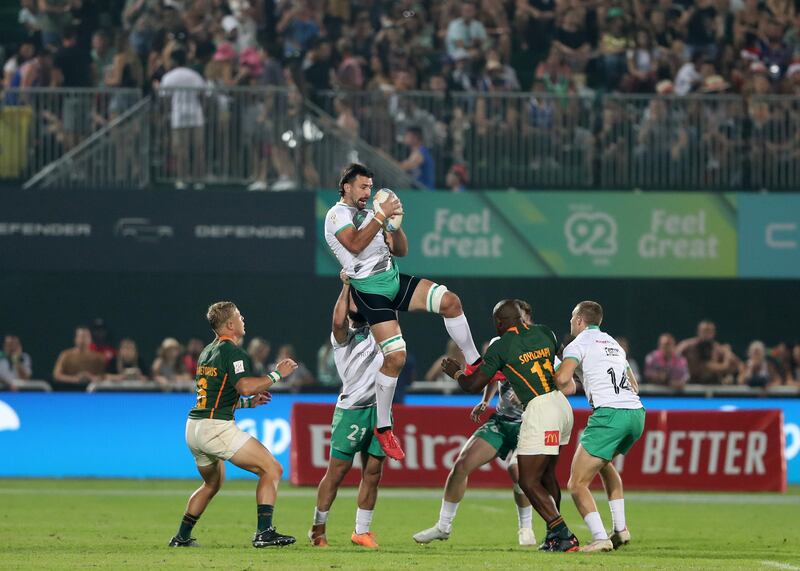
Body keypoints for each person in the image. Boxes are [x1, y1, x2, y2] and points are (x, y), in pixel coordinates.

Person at [324, 163, 483, 461]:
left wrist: (394, 227)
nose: (367, 192)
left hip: (393, 279)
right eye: (362, 187)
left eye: (370, 187)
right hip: (369, 290)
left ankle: (474, 363)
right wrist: (381, 215)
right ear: (346, 187)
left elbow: (401, 250)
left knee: (451, 301)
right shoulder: (337, 215)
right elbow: (356, 246)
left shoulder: (373, 213)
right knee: (396, 358)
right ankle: (384, 428)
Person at [440, 300, 578, 552]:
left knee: (527, 481)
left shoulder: (501, 346)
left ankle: (563, 534)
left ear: (499, 323)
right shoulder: (546, 333)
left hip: (538, 411)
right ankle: (553, 536)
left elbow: (472, 384)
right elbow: (561, 373)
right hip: (562, 408)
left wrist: (456, 373)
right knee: (546, 476)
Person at [169, 301, 298, 549]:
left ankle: (181, 537)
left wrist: (248, 405)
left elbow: (217, 397)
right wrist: (277, 374)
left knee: (211, 484)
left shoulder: (207, 351)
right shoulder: (234, 353)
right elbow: (245, 387)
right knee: (272, 469)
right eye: (239, 315)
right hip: (215, 428)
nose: (243, 318)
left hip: (194, 427)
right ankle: (264, 533)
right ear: (230, 324)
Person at [414, 300, 540, 547]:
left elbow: (557, 380)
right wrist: (485, 400)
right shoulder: (498, 344)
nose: (517, 323)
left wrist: (528, 392)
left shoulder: (541, 343)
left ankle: (526, 528)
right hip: (502, 421)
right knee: (462, 464)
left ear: (529, 320)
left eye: (521, 318)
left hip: (531, 423)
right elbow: (493, 376)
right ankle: (443, 526)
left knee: (517, 471)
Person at [553, 301, 645, 553]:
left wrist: (550, 371)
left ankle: (599, 537)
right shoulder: (613, 343)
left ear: (580, 320)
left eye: (573, 317)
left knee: (576, 483)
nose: (571, 322)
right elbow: (634, 384)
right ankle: (620, 529)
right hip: (636, 414)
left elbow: (562, 380)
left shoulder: (578, 344)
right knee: (604, 466)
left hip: (609, 415)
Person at [309, 276, 387, 548]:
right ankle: (318, 530)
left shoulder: (383, 333)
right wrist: (345, 286)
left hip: (381, 410)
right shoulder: (344, 339)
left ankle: (361, 532)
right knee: (338, 472)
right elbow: (338, 321)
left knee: (373, 472)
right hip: (352, 411)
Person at [159, 48, 206, 190]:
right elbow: (203, 95)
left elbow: (164, 98)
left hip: (178, 116)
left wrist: (166, 113)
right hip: (196, 115)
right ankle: (199, 179)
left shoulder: (169, 77)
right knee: (198, 149)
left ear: (173, 60)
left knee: (180, 149)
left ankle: (181, 178)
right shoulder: (195, 75)